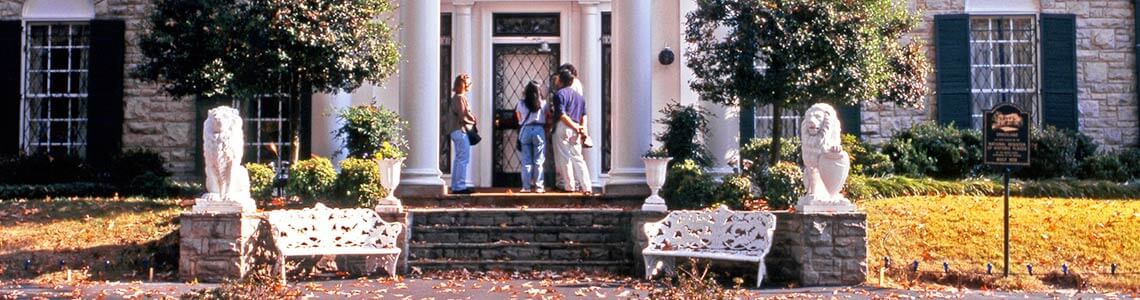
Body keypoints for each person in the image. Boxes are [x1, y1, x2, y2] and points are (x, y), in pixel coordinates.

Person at [551, 69, 592, 194]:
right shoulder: (580, 97)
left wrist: (573, 126)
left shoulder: (559, 95)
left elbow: (562, 114)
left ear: (561, 80)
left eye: (558, 78)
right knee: (578, 158)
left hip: (564, 126)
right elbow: (584, 115)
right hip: (577, 128)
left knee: (565, 157)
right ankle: (587, 186)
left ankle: (570, 186)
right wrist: (582, 128)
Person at [515, 81, 548, 193]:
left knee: (526, 160)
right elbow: (547, 116)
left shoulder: (520, 104)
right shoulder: (543, 103)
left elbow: (519, 119)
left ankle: (526, 187)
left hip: (526, 130)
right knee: (539, 160)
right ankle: (539, 186)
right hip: (539, 130)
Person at [447, 74, 476, 194]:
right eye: (468, 83)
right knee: (463, 159)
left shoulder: (456, 97)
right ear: (463, 85)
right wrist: (473, 119)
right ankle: (459, 186)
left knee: (459, 158)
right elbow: (463, 115)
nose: (470, 85)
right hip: (460, 130)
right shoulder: (460, 98)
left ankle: (456, 185)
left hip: (456, 131)